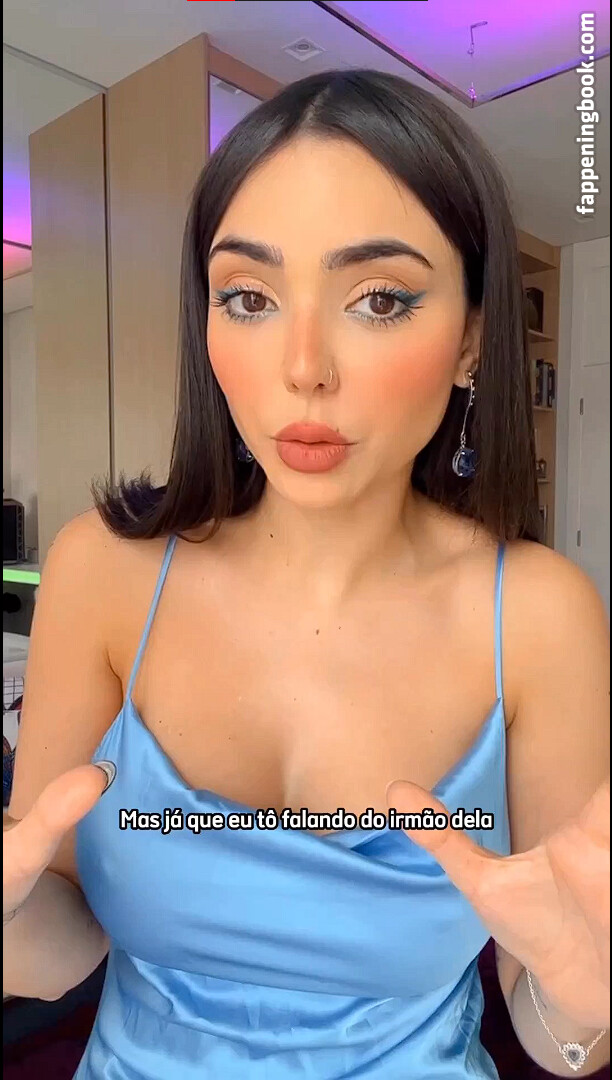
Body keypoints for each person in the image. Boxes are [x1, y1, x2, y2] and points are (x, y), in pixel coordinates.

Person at [3, 69, 609, 1080]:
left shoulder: (540, 618)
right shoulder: (104, 572)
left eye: (378, 299)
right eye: (248, 296)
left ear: (470, 340)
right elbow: (60, 940)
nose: (302, 367)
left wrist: (584, 1001)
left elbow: (559, 1024)